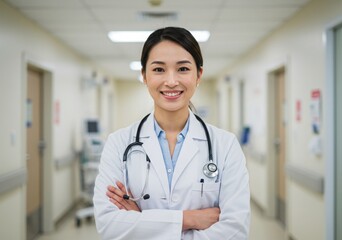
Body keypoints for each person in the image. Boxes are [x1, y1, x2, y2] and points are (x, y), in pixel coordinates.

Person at [93, 26, 250, 240]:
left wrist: (142, 221)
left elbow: (235, 230)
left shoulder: (225, 144)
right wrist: (189, 219)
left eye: (183, 69)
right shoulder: (119, 142)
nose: (171, 81)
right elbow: (109, 226)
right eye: (158, 69)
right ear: (144, 76)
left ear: (199, 75)